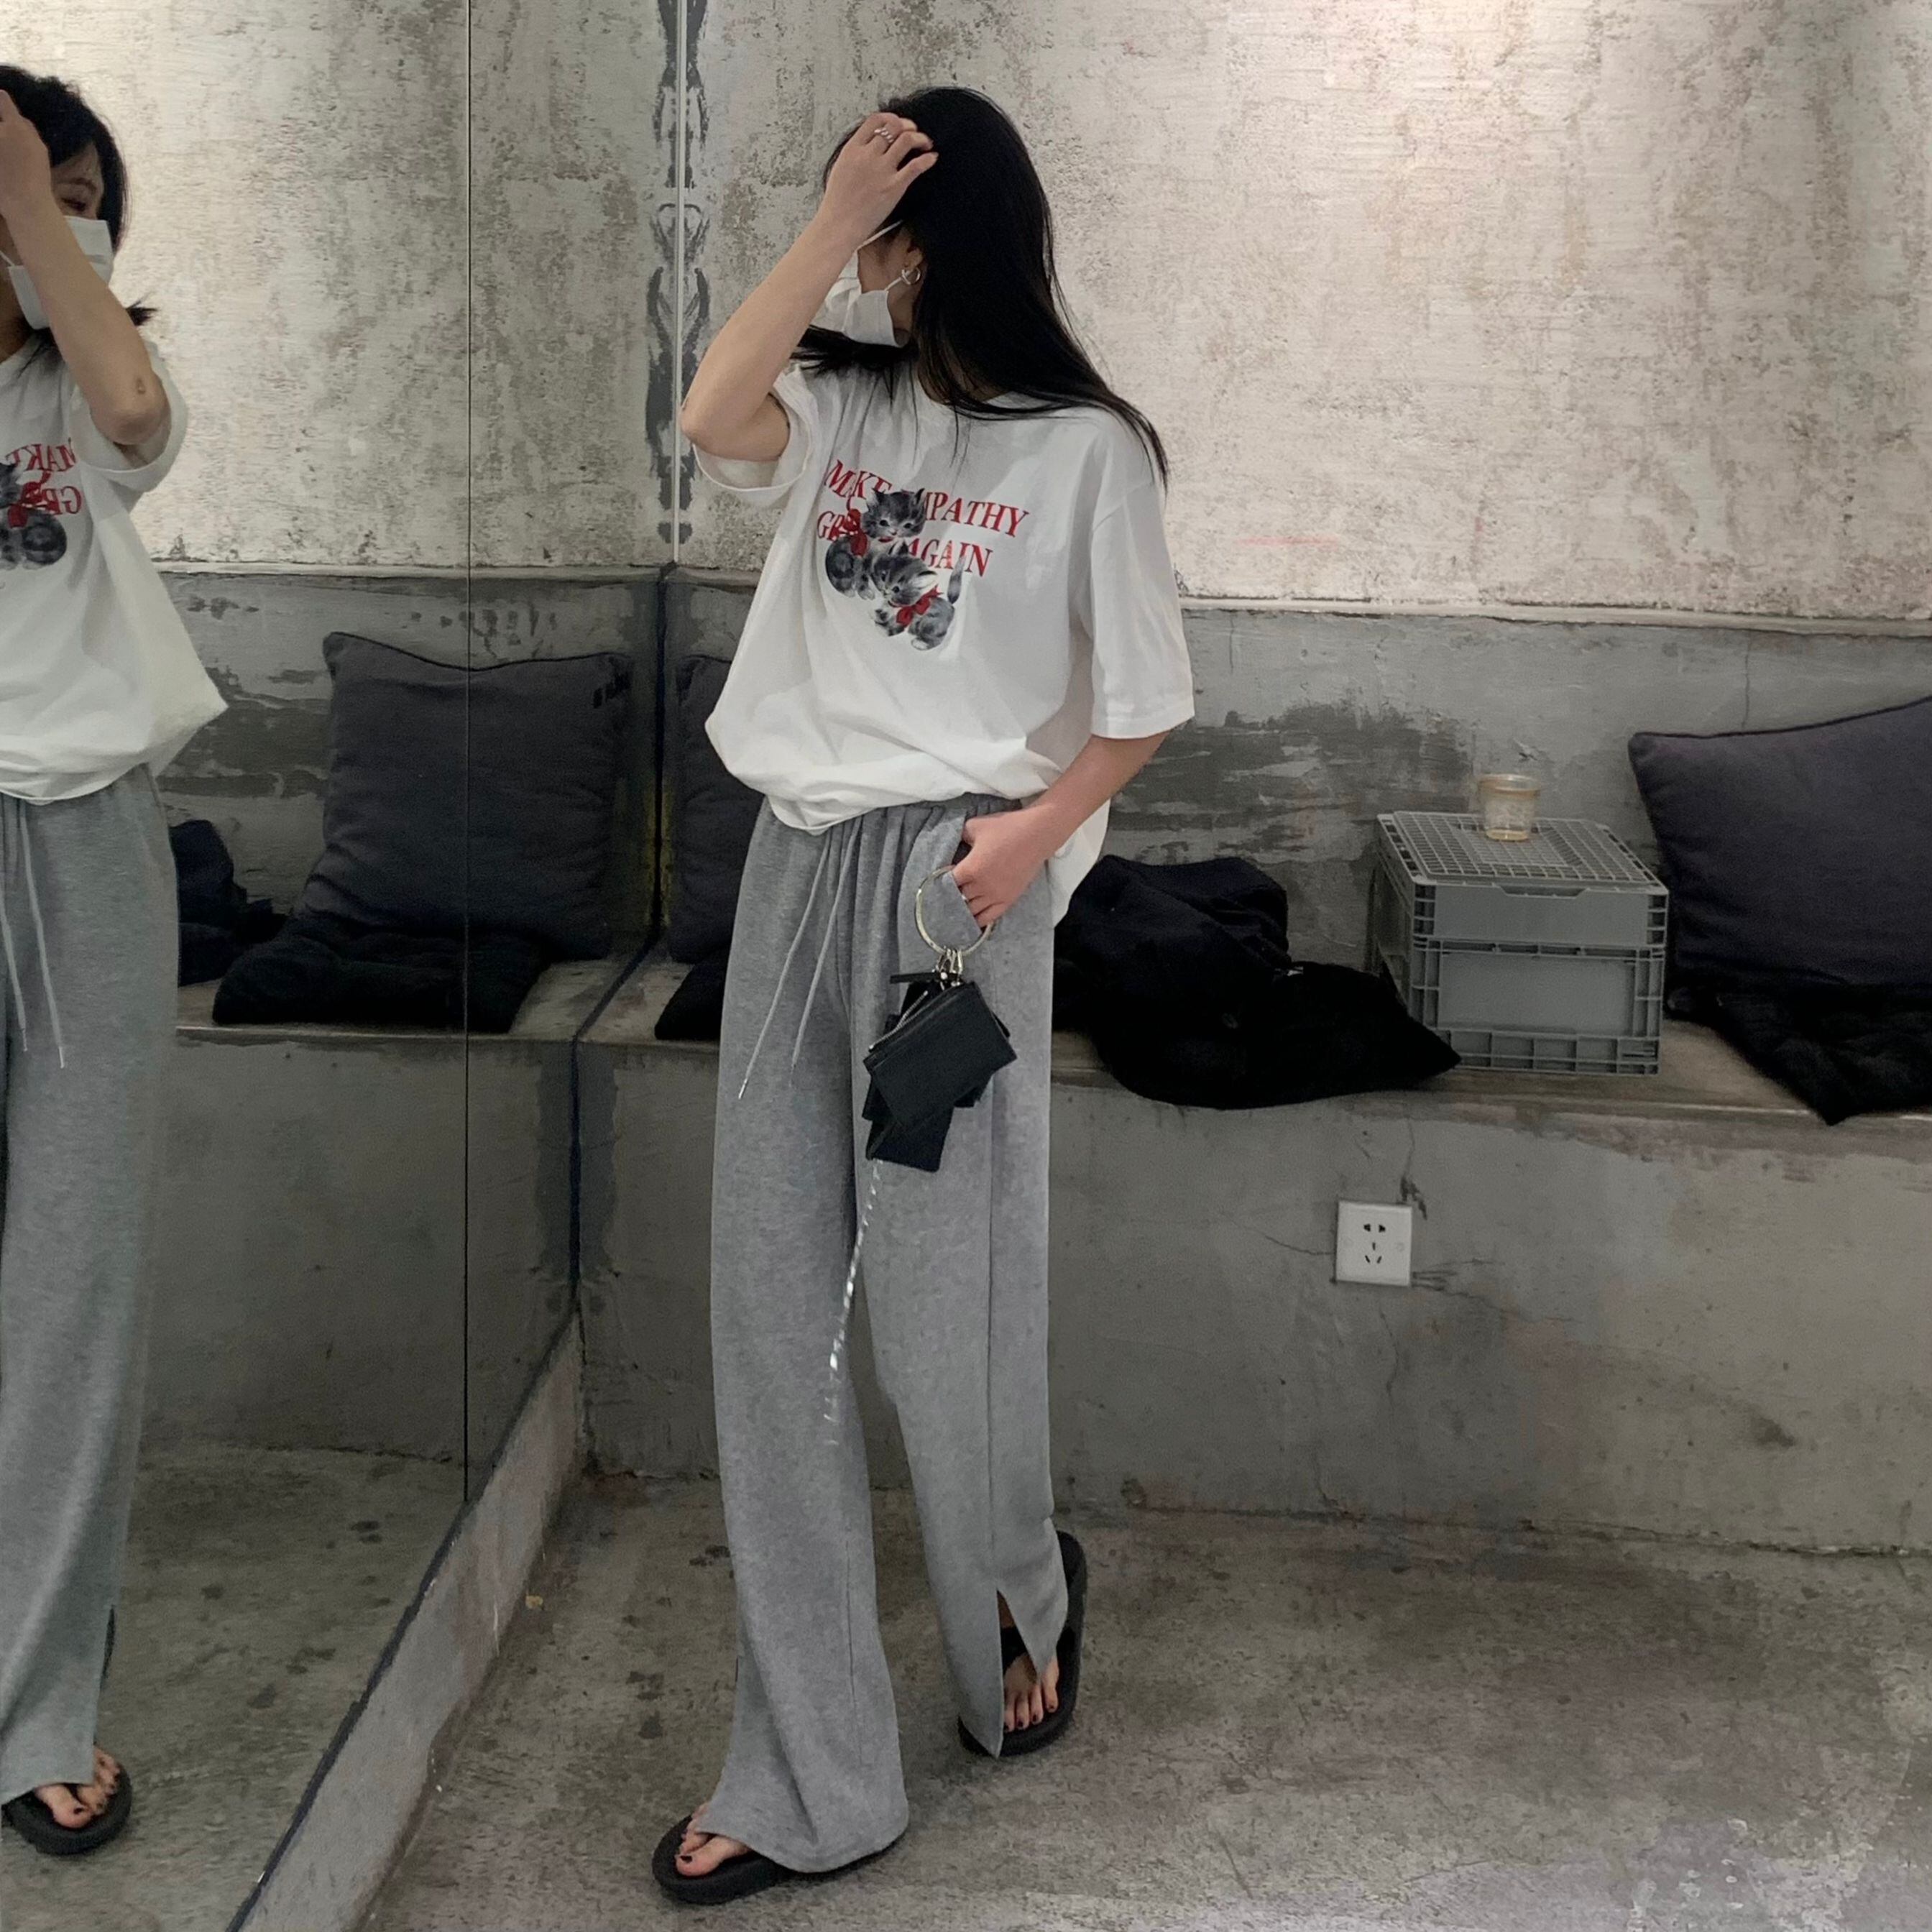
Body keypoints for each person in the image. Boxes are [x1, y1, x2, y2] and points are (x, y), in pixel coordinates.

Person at [656, 86, 1195, 1904]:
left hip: (958, 893)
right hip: (800, 863)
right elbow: (707, 414)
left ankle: (1013, 1600)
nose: (869, 268)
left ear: (941, 241)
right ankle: (809, 1770)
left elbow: (1143, 704)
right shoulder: (842, 402)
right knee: (773, 1321)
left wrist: (1031, 836)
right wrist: (823, 226)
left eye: (885, 231)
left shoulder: (1090, 451)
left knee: (941, 1320)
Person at [0, 68, 222, 1857]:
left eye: (88, 200)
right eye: (43, 189)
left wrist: (24, 203)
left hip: (80, 844)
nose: (70, 221)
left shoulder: (90, 383)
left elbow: (138, 414)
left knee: (70, 1297)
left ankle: (38, 1706)